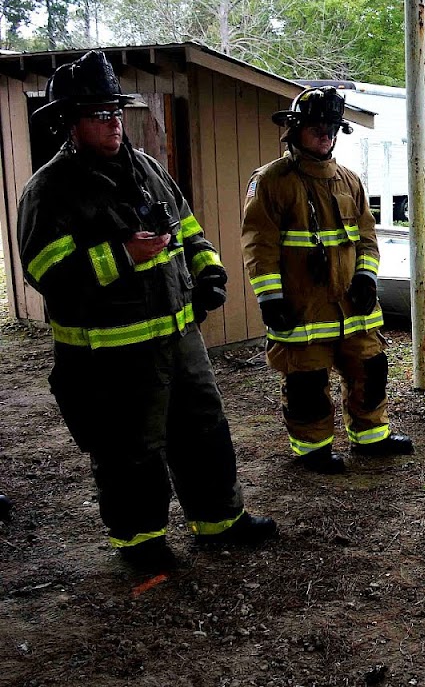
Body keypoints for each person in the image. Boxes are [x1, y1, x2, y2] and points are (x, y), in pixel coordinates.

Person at [17, 50, 276, 573]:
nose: (112, 123)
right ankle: (142, 543)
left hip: (180, 339)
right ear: (71, 123)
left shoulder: (148, 170)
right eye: (97, 114)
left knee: (203, 428)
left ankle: (219, 521)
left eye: (115, 111)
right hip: (112, 353)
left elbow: (187, 230)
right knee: (130, 448)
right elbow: (45, 271)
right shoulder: (50, 190)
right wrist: (121, 256)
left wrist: (208, 275)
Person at [242, 86, 414, 474]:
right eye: (317, 126)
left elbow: (367, 238)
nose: (325, 134)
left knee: (370, 370)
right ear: (295, 130)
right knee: (307, 382)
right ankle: (312, 449)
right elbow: (259, 244)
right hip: (303, 308)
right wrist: (270, 298)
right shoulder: (272, 182)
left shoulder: (350, 181)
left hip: (353, 308)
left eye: (332, 126)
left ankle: (371, 437)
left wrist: (367, 277)